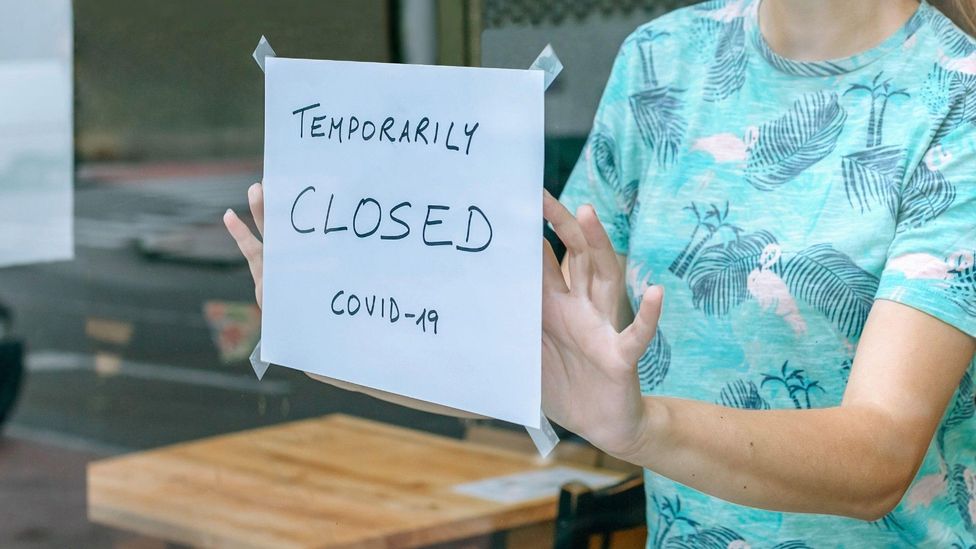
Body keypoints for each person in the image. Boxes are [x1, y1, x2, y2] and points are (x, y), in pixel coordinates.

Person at [226, 0, 976, 545]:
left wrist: (645, 427)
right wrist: (328, 324)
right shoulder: (664, 59)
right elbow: (525, 350)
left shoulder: (958, 98)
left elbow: (880, 453)